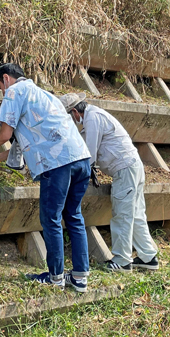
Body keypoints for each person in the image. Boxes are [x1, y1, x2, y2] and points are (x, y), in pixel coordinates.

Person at [0, 63, 92, 292]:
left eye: (0, 88)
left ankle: (55, 277)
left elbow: (6, 134)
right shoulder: (45, 96)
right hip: (81, 159)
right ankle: (80, 278)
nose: (3, 94)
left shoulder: (15, 91)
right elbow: (20, 142)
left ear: (6, 79)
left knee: (51, 219)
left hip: (56, 164)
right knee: (74, 215)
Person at [58, 92, 159, 272]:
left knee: (122, 215)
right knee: (135, 214)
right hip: (132, 166)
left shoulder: (92, 118)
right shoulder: (94, 115)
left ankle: (122, 260)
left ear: (74, 111)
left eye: (70, 116)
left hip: (125, 169)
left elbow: (89, 154)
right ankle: (148, 256)